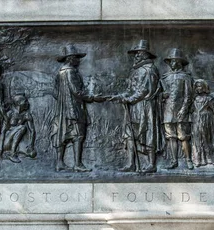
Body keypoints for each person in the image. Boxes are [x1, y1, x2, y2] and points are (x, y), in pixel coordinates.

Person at [110, 40, 163, 173]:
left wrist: (129, 98)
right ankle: (131, 163)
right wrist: (121, 96)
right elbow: (132, 89)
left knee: (148, 133)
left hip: (145, 107)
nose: (136, 56)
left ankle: (151, 164)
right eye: (136, 53)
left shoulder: (149, 70)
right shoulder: (137, 70)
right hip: (134, 106)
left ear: (146, 54)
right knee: (129, 134)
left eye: (139, 53)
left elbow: (143, 91)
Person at [51, 44, 103, 172]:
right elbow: (77, 92)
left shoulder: (60, 73)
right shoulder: (71, 72)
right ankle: (77, 164)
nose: (78, 61)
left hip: (62, 110)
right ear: (70, 59)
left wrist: (63, 101)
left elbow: (55, 92)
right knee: (78, 136)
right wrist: (92, 97)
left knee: (62, 134)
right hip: (74, 109)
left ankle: (59, 163)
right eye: (76, 58)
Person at [161, 48, 194, 169]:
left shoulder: (186, 77)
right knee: (171, 137)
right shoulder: (165, 78)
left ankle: (189, 160)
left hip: (181, 112)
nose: (171, 63)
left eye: (173, 61)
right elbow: (161, 95)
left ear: (179, 62)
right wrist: (162, 96)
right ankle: (174, 161)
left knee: (184, 136)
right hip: (168, 111)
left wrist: (184, 110)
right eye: (170, 61)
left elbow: (189, 95)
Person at [190, 79, 214, 166]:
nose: (198, 88)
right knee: (197, 140)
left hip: (206, 120)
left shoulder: (209, 99)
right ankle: (198, 159)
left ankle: (210, 158)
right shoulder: (194, 99)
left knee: (206, 139)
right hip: (196, 120)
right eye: (196, 86)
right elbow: (191, 109)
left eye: (200, 86)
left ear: (204, 87)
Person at [2, 92, 36, 163]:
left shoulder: (26, 115)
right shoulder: (10, 114)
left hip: (18, 142)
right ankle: (12, 154)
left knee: (32, 154)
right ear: (19, 103)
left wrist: (31, 145)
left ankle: (14, 151)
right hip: (7, 141)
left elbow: (32, 131)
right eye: (25, 101)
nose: (28, 103)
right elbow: (3, 131)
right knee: (22, 127)